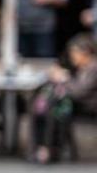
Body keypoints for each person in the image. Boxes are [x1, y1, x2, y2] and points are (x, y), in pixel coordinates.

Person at [29, 33, 97, 163]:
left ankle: (49, 148)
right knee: (44, 105)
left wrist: (63, 79)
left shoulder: (93, 68)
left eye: (75, 53)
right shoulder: (81, 67)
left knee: (54, 109)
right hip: (75, 103)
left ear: (85, 52)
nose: (72, 57)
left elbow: (78, 91)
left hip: (88, 106)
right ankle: (43, 147)